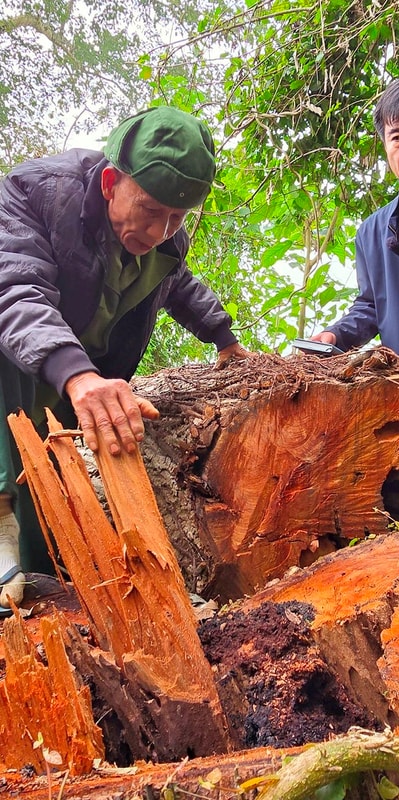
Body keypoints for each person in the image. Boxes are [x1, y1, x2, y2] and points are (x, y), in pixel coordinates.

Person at [0, 106, 249, 612]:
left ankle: (48, 587)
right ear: (111, 181)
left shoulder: (165, 240)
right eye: (151, 211)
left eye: (177, 217)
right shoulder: (35, 194)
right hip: (26, 365)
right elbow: (16, 289)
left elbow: (178, 284)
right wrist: (79, 376)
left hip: (72, 380)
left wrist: (225, 339)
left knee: (49, 488)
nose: (161, 231)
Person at [312, 74, 399, 387]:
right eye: (398, 137)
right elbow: (371, 304)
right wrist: (336, 335)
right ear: (385, 144)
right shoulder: (373, 230)